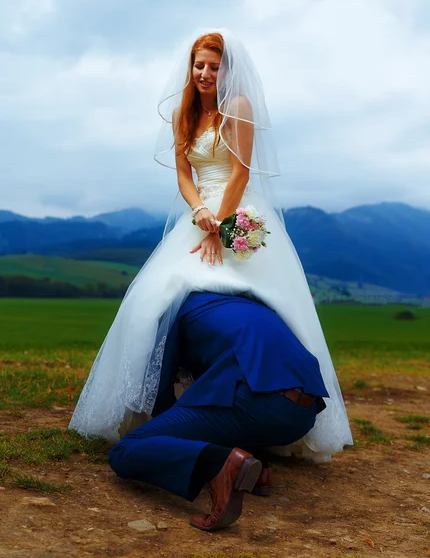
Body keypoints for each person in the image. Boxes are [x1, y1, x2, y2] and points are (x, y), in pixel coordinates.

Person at [69, 27, 353, 466]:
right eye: (199, 65)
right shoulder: (183, 112)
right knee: (153, 299)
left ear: (227, 71)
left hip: (237, 211)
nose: (204, 73)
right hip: (201, 210)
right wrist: (199, 210)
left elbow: (240, 172)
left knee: (262, 295)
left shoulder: (237, 107)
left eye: (214, 67)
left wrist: (219, 224)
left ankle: (273, 397)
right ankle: (152, 405)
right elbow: (184, 173)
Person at [108, 291, 330, 531]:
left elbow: (161, 384)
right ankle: (259, 467)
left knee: (125, 451)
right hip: (304, 415)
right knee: (226, 409)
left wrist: (167, 431)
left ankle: (220, 464)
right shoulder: (248, 305)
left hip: (256, 406)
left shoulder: (175, 311)